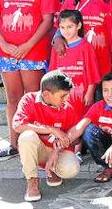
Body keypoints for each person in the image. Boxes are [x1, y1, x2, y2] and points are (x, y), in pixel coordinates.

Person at [0, 0, 55, 161]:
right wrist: (3, 44)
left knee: (33, 97)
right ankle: (13, 142)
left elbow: (47, 20)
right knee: (13, 98)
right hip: (6, 52)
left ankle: (35, 143)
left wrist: (28, 45)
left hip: (32, 52)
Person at [13, 70, 80, 202]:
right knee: (27, 136)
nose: (66, 99)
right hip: (37, 150)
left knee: (71, 169)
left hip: (57, 152)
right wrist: (52, 130)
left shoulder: (67, 108)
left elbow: (76, 139)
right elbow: (18, 126)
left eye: (67, 96)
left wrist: (58, 148)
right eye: (63, 96)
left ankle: (53, 170)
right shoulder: (29, 100)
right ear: (46, 94)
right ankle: (32, 180)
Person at [55, 0, 112, 78]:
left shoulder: (106, 2)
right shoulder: (70, 2)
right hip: (75, 60)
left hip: (101, 59)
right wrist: (57, 38)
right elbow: (59, 26)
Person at [50, 10, 101, 119]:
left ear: (78, 26)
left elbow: (92, 72)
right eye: (62, 27)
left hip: (81, 96)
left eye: (69, 27)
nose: (66, 31)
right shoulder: (57, 48)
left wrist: (90, 92)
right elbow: (52, 74)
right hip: (62, 96)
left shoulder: (86, 47)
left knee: (81, 122)